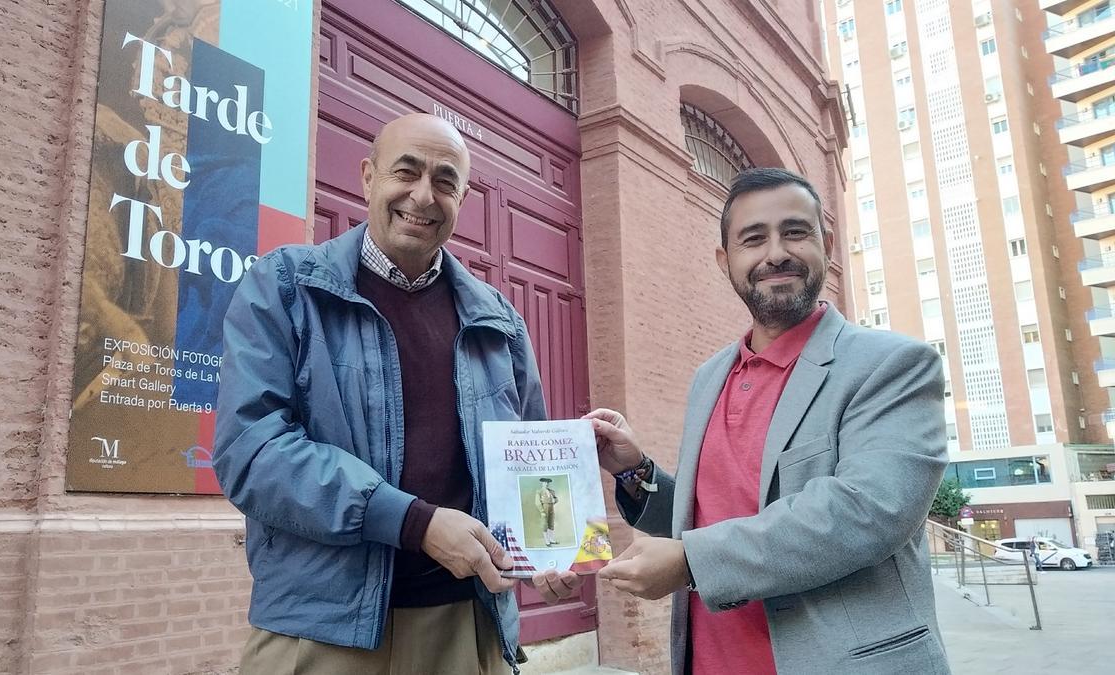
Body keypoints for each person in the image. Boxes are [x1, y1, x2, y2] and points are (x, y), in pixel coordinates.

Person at [534, 168, 951, 674]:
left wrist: (689, 560)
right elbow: (708, 520)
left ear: (828, 243)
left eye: (794, 232)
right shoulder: (709, 377)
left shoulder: (892, 365)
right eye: (753, 239)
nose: (775, 252)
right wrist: (634, 470)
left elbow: (865, 512)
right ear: (725, 260)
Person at [214, 113, 547, 674]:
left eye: (445, 181)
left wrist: (547, 552)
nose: (423, 195)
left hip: (465, 626)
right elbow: (251, 452)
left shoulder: (500, 322)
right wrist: (414, 522)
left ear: (462, 198)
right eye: (406, 172)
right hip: (323, 632)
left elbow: (530, 460)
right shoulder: (288, 288)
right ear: (368, 177)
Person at [537, 477, 559, 546]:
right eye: (545, 482)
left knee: (551, 524)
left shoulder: (551, 491)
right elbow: (537, 502)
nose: (546, 484)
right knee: (544, 524)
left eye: (547, 482)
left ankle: (551, 539)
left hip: (551, 507)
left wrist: (554, 501)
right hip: (544, 507)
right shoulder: (539, 491)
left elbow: (556, 498)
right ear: (542, 483)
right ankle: (547, 541)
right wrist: (542, 511)